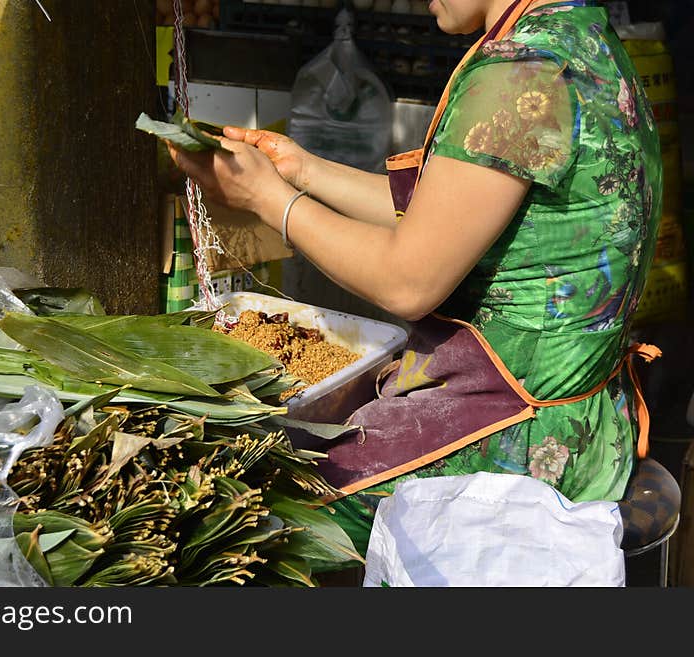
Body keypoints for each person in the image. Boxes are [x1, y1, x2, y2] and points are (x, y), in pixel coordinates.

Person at [167, 0, 663, 561]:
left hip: (513, 440)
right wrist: (302, 172)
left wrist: (267, 200)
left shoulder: (519, 72)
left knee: (242, 514)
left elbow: (408, 282)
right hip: (588, 420)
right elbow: (448, 213)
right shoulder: (580, 35)